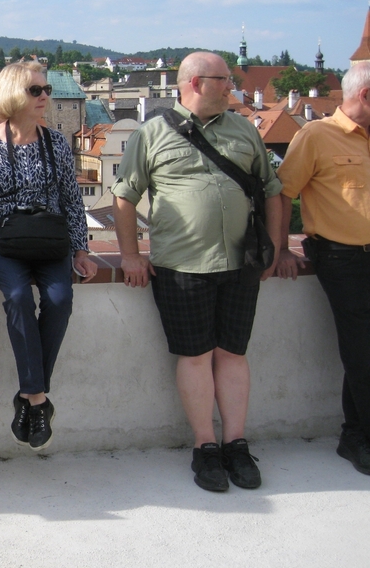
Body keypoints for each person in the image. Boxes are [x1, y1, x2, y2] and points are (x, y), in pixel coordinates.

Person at [113, 51, 281, 492]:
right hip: (181, 265)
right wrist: (130, 256)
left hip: (241, 262)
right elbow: (124, 197)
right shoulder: (152, 133)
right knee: (196, 355)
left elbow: (273, 190)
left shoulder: (245, 128)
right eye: (223, 80)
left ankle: (236, 443)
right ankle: (205, 446)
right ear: (193, 83)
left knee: (233, 353)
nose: (232, 87)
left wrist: (276, 250)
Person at [0, 61, 96, 451]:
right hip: (2, 238)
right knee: (16, 295)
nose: (45, 97)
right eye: (36, 91)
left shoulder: (56, 143)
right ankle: (38, 401)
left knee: (59, 299)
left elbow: (71, 201)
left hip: (48, 239)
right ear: (14, 95)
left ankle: (32, 396)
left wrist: (82, 249)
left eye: (46, 90)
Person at [275, 62, 370, 476]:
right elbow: (282, 193)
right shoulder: (316, 135)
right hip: (343, 257)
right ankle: (358, 438)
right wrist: (280, 248)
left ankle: (356, 433)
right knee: (362, 350)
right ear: (365, 95)